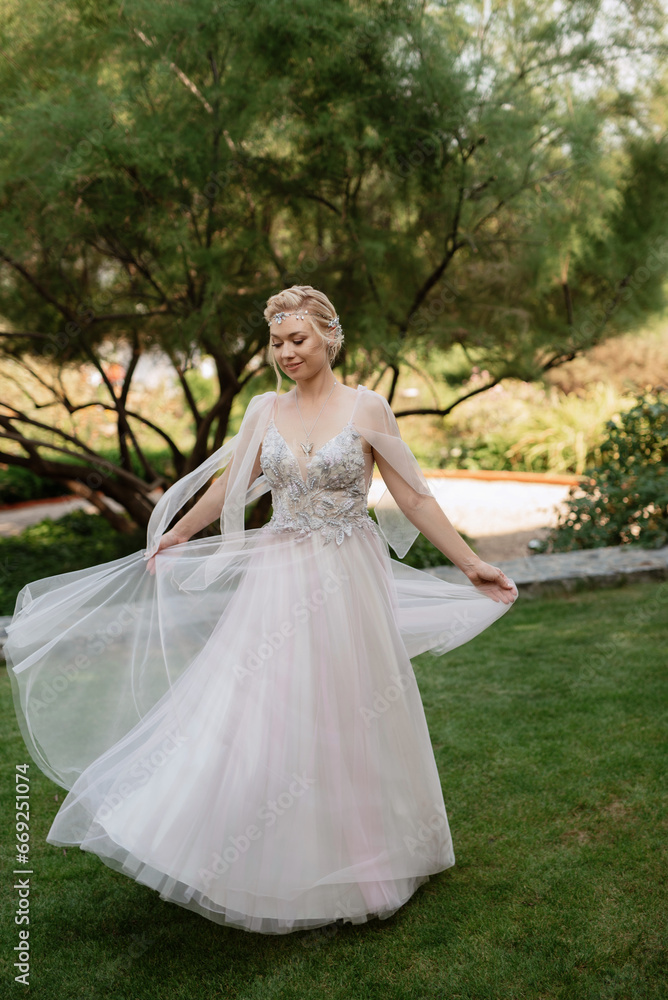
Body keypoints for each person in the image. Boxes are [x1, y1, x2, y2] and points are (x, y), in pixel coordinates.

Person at [5, 284, 518, 935]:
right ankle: (244, 850)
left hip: (348, 579)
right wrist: (180, 533)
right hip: (278, 580)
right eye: (277, 343)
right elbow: (230, 484)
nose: (286, 353)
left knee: (351, 712)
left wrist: (471, 561)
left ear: (329, 337)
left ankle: (365, 863)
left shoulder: (369, 408)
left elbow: (413, 498)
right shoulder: (262, 410)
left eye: (297, 339)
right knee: (264, 709)